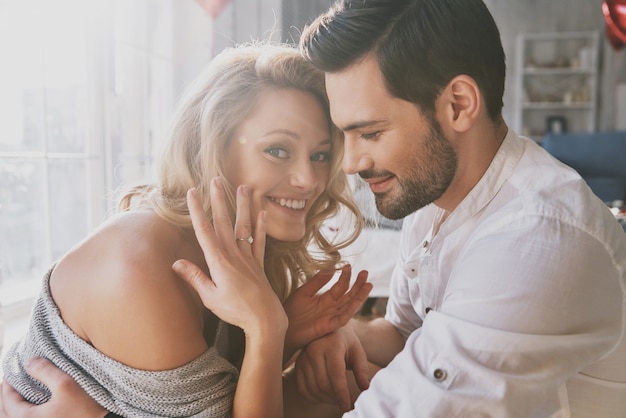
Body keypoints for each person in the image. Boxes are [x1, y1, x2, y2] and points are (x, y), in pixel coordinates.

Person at [5, 0, 626, 417]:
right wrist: (331, 337)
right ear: (212, 146)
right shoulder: (434, 204)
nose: (341, 169)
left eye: (365, 134)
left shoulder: (531, 242)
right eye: (282, 148)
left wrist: (272, 336)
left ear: (458, 105)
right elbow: (408, 332)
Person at [0, 41, 372, 418]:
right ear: (211, 148)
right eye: (277, 150)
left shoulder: (236, 250)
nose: (309, 179)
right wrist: (267, 327)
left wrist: (288, 335)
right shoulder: (139, 269)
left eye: (320, 155)